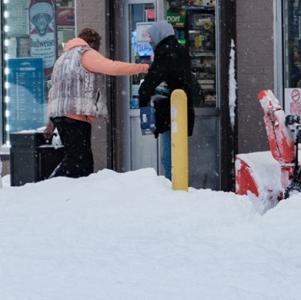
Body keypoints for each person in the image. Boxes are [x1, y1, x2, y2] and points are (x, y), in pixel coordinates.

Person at [44, 28, 149, 178]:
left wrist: (51, 121)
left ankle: (72, 190)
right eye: (97, 45)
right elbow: (112, 67)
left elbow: (54, 91)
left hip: (60, 114)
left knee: (78, 158)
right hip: (75, 114)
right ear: (93, 43)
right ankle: (52, 186)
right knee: (79, 160)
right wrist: (144, 68)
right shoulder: (86, 54)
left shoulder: (63, 58)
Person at [137, 21, 202, 181]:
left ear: (160, 36)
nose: (150, 41)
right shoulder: (179, 51)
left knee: (169, 158)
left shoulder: (166, 54)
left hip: (171, 112)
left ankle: (172, 192)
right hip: (179, 110)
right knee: (175, 155)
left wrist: (143, 96)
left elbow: (153, 79)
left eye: (152, 37)